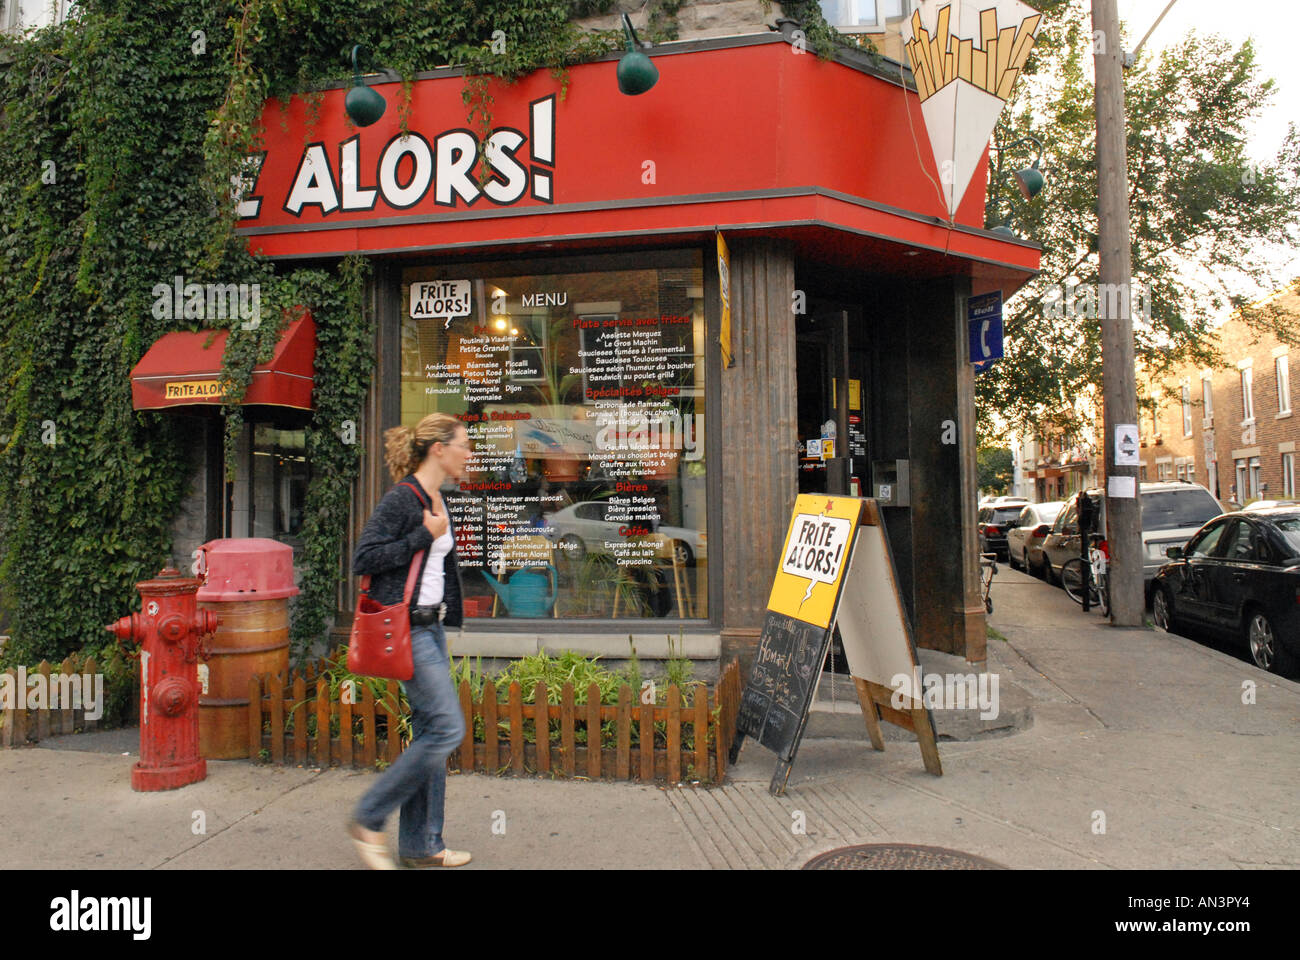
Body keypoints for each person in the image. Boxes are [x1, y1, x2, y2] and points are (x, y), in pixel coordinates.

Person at [346, 413, 473, 869]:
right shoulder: (405, 499)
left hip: (431, 628)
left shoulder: (439, 498)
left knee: (429, 732)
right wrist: (423, 535)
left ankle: (423, 845)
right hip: (408, 630)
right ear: (438, 448)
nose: (469, 453)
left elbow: (433, 570)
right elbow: (365, 556)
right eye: (463, 444)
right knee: (446, 728)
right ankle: (368, 817)